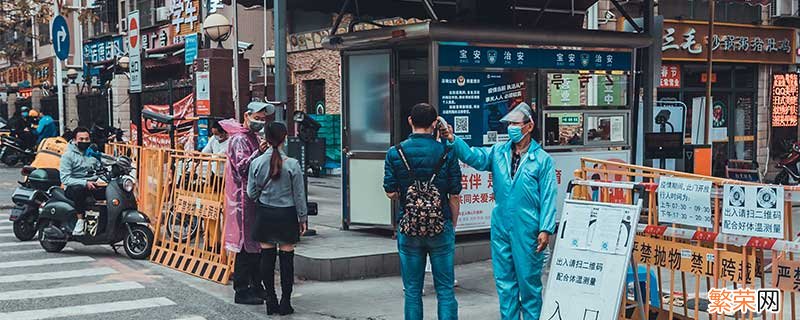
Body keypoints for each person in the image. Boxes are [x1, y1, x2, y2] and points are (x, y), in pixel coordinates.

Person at [441, 102, 557, 320]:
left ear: (529, 126)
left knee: (529, 285)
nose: (511, 127)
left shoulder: (542, 160)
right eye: (509, 123)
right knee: (505, 284)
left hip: (529, 228)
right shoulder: (498, 152)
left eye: (515, 123)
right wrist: (452, 139)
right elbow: (474, 156)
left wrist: (546, 228)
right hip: (501, 226)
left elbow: (549, 196)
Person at [384, 103, 462, 320]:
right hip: (441, 226)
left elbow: (390, 192)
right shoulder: (447, 151)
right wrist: (451, 224)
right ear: (435, 123)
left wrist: (411, 195)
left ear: (410, 121)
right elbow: (454, 195)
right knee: (445, 289)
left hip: (409, 227)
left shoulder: (395, 152)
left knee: (412, 291)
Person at [247, 122, 307, 316]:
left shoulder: (256, 162)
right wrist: (302, 217)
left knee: (267, 258)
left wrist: (262, 199)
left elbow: (250, 192)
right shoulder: (292, 164)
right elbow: (299, 195)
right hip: (287, 214)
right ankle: (285, 302)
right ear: (284, 138)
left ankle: (270, 300)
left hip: (265, 213)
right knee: (287, 259)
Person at [220, 101, 273, 305]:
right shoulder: (240, 140)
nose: (260, 122)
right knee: (245, 246)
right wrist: (258, 153)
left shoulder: (252, 137)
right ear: (246, 115)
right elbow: (242, 169)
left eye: (263, 119)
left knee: (255, 245)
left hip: (252, 199)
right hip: (242, 200)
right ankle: (242, 290)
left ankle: (255, 286)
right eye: (257, 118)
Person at [60, 127, 102, 236]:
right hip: (73, 187)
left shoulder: (91, 153)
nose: (84, 141)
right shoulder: (68, 156)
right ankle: (80, 220)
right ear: (74, 140)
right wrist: (84, 183)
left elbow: (101, 166)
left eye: (86, 139)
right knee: (79, 190)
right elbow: (65, 179)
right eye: (81, 139)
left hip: (92, 184)